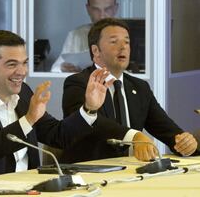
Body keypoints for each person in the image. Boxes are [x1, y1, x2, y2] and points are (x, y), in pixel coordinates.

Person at [0, 30, 116, 176]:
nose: (22, 72)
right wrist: (28, 120)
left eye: (24, 63)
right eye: (12, 64)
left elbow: (58, 136)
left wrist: (89, 109)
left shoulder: (24, 93)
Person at [62, 18, 199, 163]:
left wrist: (185, 143)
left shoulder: (139, 87)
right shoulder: (78, 83)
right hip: (88, 173)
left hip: (131, 172)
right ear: (96, 50)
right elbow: (92, 124)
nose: (123, 47)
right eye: (114, 41)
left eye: (127, 42)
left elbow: (165, 128)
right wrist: (133, 136)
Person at [51, 0, 118, 73]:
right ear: (88, 9)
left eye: (107, 9)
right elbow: (55, 69)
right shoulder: (75, 35)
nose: (102, 15)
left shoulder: (127, 35)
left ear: (115, 8)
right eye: (96, 9)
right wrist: (64, 68)